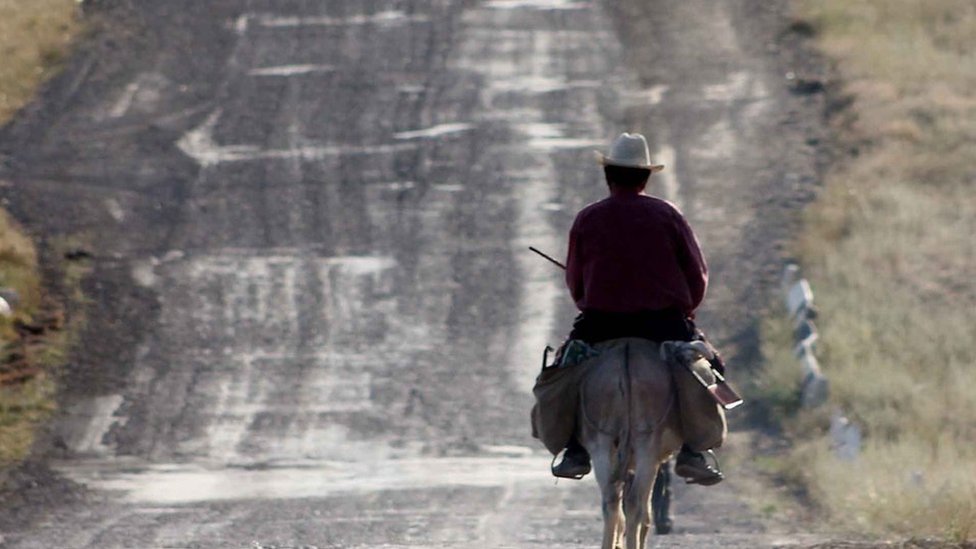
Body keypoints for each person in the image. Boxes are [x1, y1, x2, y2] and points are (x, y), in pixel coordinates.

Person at [551, 132, 724, 486]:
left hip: (601, 326)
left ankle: (573, 449)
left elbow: (575, 282)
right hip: (665, 325)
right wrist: (684, 314)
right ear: (645, 177)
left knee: (559, 373)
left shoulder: (588, 218)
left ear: (609, 176)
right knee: (714, 371)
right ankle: (696, 450)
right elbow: (697, 276)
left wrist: (593, 303)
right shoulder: (668, 215)